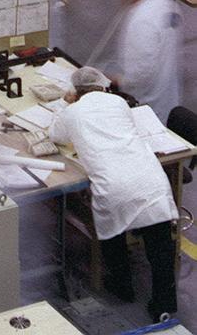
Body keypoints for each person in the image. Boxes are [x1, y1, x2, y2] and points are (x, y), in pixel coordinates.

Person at [48, 66, 178, 320]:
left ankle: (122, 286)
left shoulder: (72, 112)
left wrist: (63, 105)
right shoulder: (118, 103)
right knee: (160, 248)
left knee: (113, 234)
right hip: (148, 179)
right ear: (102, 86)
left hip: (114, 186)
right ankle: (164, 302)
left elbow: (55, 135)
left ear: (76, 92)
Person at [113, 0, 182, 123]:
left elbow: (140, 71)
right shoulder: (169, 6)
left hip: (145, 103)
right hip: (167, 96)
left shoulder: (141, 19)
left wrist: (114, 80)